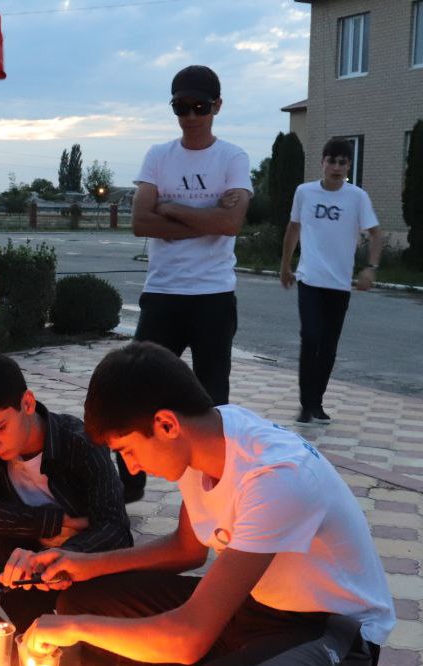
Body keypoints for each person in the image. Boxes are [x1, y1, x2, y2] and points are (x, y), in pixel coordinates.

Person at [16, 342, 394, 666]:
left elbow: (189, 638)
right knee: (82, 599)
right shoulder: (206, 440)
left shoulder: (277, 477)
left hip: (332, 630)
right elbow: (186, 549)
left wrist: (71, 630)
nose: (131, 467)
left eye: (128, 450)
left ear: (166, 424)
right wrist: (85, 565)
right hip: (257, 605)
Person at [0, 353, 133, 631]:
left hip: (81, 559)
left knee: (85, 613)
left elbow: (116, 530)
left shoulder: (79, 443)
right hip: (31, 554)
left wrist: (62, 557)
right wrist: (53, 521)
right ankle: (32, 623)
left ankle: (74, 623)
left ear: (27, 403)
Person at [131, 65, 252, 408]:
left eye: (200, 107)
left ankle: (208, 448)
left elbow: (231, 223)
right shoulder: (158, 156)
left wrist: (170, 207)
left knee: (211, 400)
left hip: (213, 295)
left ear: (217, 106)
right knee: (138, 390)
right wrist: (209, 219)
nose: (191, 116)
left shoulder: (232, 157)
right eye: (181, 108)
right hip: (162, 291)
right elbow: (141, 222)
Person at [279, 138, 382, 425]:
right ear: (322, 162)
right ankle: (305, 404)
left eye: (342, 162)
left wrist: (370, 268)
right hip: (309, 279)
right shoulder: (305, 192)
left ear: (349, 165)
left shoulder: (357, 197)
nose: (336, 167)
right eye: (331, 161)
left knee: (328, 346)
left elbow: (376, 234)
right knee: (310, 337)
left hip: (339, 284)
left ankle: (317, 402)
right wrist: (285, 266)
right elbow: (293, 228)